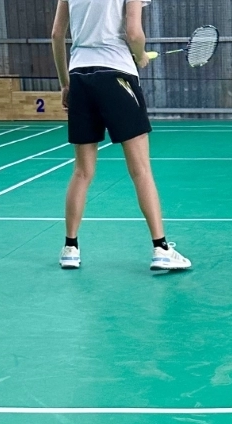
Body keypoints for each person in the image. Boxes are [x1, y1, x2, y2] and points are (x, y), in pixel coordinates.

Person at [51, 0, 191, 271]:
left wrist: (65, 84)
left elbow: (57, 34)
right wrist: (140, 56)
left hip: (80, 76)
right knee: (141, 170)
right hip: (117, 74)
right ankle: (161, 248)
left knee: (82, 171)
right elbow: (134, 33)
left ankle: (70, 249)